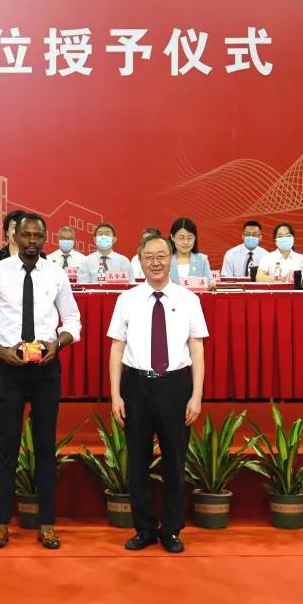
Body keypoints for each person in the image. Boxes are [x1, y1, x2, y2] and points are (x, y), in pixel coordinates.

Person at [0, 213, 81, 550]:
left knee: (46, 448)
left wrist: (58, 344)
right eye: (26, 235)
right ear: (15, 237)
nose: (32, 241)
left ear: (44, 238)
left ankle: (46, 524)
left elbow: (73, 320)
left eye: (37, 235)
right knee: (8, 448)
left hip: (47, 369)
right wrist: (2, 352)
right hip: (10, 369)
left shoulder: (55, 273)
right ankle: (0, 525)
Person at [108, 233, 207, 554]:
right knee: (138, 462)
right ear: (140, 260)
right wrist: (115, 395)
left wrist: (196, 396)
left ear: (171, 258)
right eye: (148, 256)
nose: (155, 262)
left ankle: (172, 530)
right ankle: (144, 529)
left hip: (175, 386)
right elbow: (117, 348)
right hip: (136, 386)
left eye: (161, 256)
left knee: (175, 462)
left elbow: (197, 348)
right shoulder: (127, 299)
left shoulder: (189, 299)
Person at [167, 218, 213, 283]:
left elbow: (210, 281)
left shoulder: (202, 259)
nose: (185, 242)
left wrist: (210, 284)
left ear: (195, 238)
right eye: (181, 238)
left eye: (189, 238)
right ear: (172, 237)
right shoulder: (165, 260)